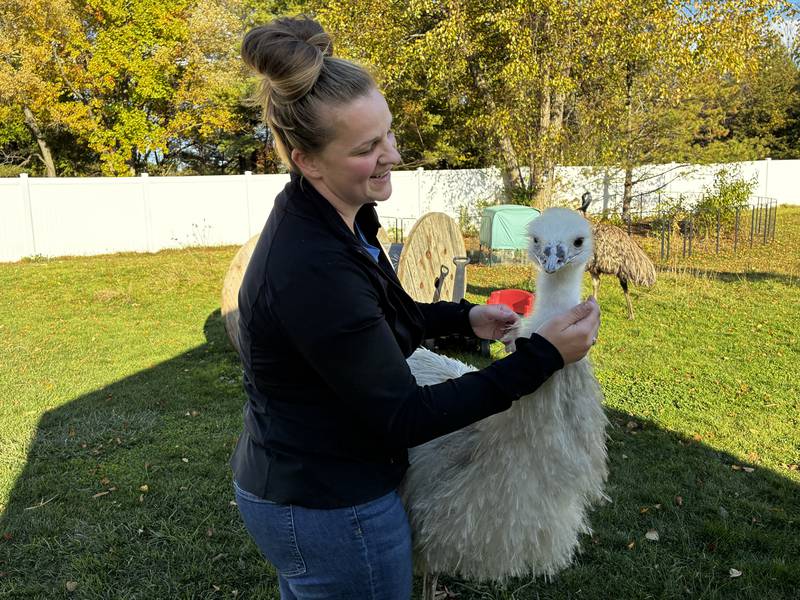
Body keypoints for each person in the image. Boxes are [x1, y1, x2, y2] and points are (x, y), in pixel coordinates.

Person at [230, 15, 601, 600]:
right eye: (367, 147)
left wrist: (462, 317)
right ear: (306, 159)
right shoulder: (312, 267)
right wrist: (541, 357)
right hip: (330, 505)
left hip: (310, 482)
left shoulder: (339, 216)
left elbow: (383, 310)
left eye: (389, 134)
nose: (393, 155)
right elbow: (406, 417)